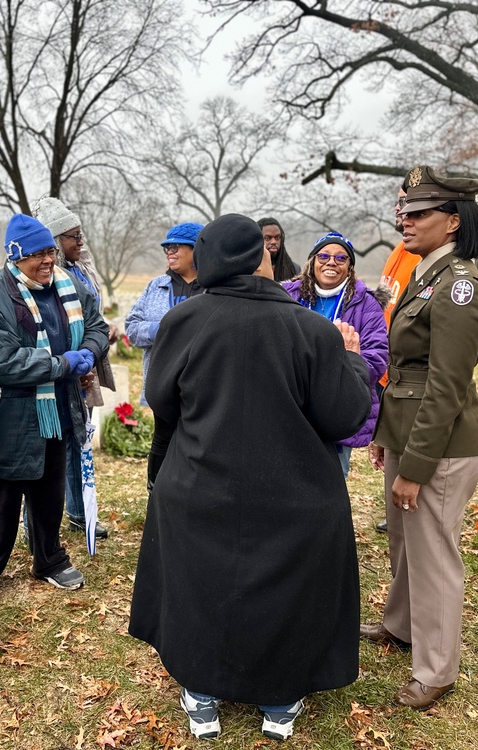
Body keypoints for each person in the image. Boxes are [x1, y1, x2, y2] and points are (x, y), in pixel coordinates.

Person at [129, 213, 372, 741]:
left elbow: (163, 400)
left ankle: (201, 688)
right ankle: (280, 696)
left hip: (200, 482)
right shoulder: (311, 329)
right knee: (284, 590)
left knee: (203, 583)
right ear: (257, 260)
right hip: (295, 492)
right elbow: (345, 415)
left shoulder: (184, 321)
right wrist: (352, 360)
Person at [363, 165, 478, 710]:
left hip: (443, 443)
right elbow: (402, 371)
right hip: (410, 430)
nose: (406, 221)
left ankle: (437, 668)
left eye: (419, 214)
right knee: (404, 537)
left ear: (452, 222)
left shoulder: (460, 287)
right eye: (405, 211)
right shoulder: (426, 274)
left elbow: (446, 385)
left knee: (433, 552)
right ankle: (400, 625)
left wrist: (416, 466)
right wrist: (384, 435)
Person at [0, 214, 109, 592]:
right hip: (13, 415)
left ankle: (49, 559)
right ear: (15, 257)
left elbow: (96, 324)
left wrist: (88, 355)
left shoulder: (68, 284)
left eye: (50, 251)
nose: (47, 260)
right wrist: (63, 364)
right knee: (4, 498)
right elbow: (2, 360)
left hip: (58, 409)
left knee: (50, 491)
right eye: (37, 254)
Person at [31, 196, 114, 542]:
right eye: (72, 237)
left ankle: (81, 513)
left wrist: (91, 353)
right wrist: (73, 363)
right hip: (60, 373)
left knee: (79, 441)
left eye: (81, 235)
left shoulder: (80, 271)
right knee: (50, 451)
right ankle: (36, 528)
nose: (80, 242)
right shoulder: (46, 276)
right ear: (53, 241)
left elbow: (92, 316)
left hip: (84, 367)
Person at [282, 231, 389, 475]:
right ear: (312, 261)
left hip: (337, 403)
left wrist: (337, 374)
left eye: (341, 258)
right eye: (324, 256)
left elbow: (377, 357)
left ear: (350, 267)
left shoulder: (366, 304)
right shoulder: (288, 296)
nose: (331, 262)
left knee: (330, 476)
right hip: (291, 402)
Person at [373, 185, 421, 533]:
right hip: (387, 366)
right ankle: (397, 516)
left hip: (410, 372)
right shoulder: (399, 250)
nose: (397, 208)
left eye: (404, 201)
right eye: (398, 201)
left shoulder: (423, 258)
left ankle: (412, 516)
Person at [123, 222, 204, 406]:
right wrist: (160, 330)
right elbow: (132, 329)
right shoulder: (155, 286)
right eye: (166, 247)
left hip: (203, 390)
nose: (169, 251)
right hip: (162, 389)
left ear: (196, 250)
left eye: (175, 246)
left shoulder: (213, 288)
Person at [257, 216, 300, 282]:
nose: (274, 242)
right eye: (267, 238)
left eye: (277, 238)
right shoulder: (251, 269)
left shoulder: (294, 269)